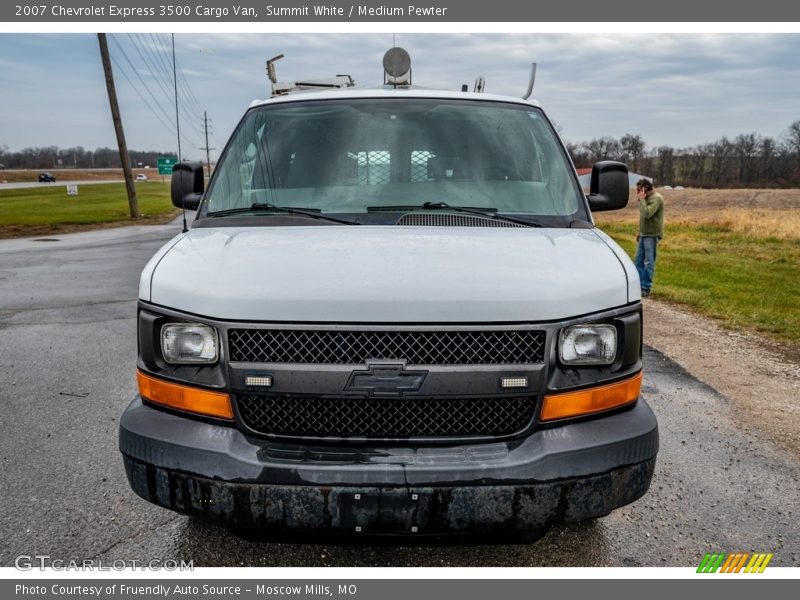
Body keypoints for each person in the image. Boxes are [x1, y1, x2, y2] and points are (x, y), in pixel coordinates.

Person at [634, 178, 664, 297]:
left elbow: (646, 214)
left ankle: (646, 287)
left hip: (651, 235)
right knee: (638, 261)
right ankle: (639, 285)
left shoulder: (656, 199)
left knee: (648, 261)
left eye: (638, 190)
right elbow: (643, 218)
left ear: (644, 189)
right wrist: (640, 232)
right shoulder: (646, 199)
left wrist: (641, 200)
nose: (637, 193)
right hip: (644, 234)